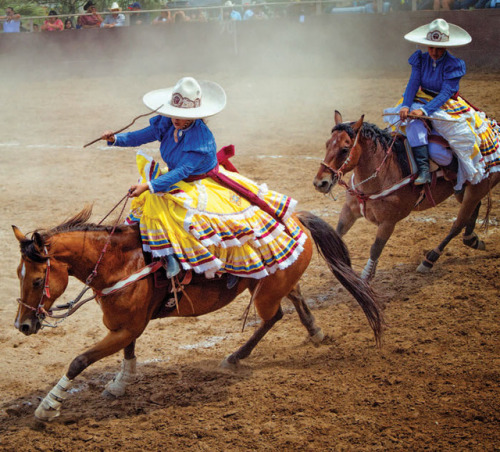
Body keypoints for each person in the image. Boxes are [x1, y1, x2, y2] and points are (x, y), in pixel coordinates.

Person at [100, 77, 306, 287]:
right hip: (175, 177)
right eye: (174, 113)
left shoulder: (201, 138)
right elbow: (142, 135)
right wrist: (116, 139)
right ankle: (163, 253)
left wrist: (149, 185)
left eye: (182, 116)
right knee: (152, 206)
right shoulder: (166, 122)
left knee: (206, 223)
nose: (176, 119)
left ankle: (227, 265)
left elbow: (183, 171)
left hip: (200, 183)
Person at [384, 19, 500, 189]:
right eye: (431, 47)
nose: (434, 52)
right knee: (411, 124)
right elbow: (413, 84)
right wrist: (406, 106)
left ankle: (458, 171)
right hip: (421, 99)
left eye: (439, 48)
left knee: (457, 138)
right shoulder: (420, 60)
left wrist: (424, 110)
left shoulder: (454, 65)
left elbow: (446, 94)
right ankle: (423, 170)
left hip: (445, 105)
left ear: (446, 47)